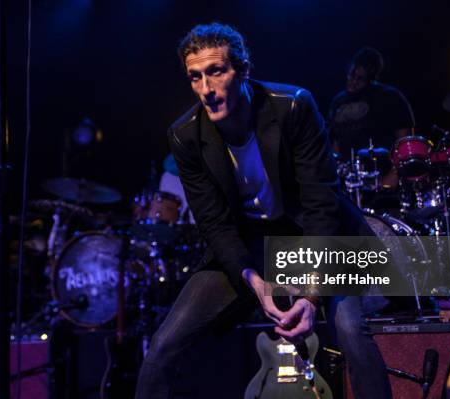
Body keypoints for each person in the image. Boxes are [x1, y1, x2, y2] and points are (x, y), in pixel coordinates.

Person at [135, 23, 392, 399]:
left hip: (313, 235)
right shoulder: (185, 135)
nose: (206, 89)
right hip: (249, 246)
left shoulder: (293, 106)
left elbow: (321, 206)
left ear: (243, 71)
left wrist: (310, 296)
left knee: (350, 329)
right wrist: (255, 283)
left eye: (216, 72)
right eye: (195, 77)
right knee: (163, 345)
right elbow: (215, 225)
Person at [328, 47, 415, 159]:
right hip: (347, 172)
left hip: (380, 171)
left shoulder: (390, 97)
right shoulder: (338, 101)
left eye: (360, 79)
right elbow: (335, 141)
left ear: (371, 79)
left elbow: (405, 143)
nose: (353, 81)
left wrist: (394, 173)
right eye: (351, 75)